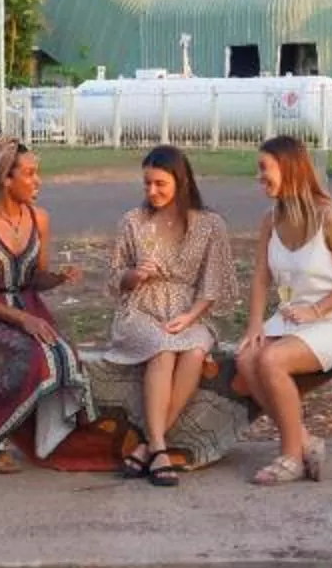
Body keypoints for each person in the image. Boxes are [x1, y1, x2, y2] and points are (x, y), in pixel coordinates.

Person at [233, 134, 332, 486]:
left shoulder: (330, 217)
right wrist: (254, 326)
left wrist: (317, 311)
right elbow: (261, 277)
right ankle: (305, 441)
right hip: (291, 317)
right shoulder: (270, 218)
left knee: (271, 360)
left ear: (289, 168)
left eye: (265, 169)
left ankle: (290, 456)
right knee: (247, 358)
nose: (259, 178)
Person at [0, 130, 93, 471]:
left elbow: (35, 278)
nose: (38, 181)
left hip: (30, 307)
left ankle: (45, 437)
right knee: (27, 356)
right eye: (30, 174)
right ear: (6, 178)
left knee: (64, 357)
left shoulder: (39, 219)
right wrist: (21, 320)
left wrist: (58, 278)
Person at [100, 144, 235, 486]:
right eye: (146, 184)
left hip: (189, 311)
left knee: (192, 350)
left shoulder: (209, 224)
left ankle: (146, 446)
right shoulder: (133, 222)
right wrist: (134, 275)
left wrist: (190, 317)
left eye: (160, 183)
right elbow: (115, 279)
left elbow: (213, 284)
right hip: (141, 310)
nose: (152, 191)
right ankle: (160, 445)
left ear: (181, 179)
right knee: (162, 348)